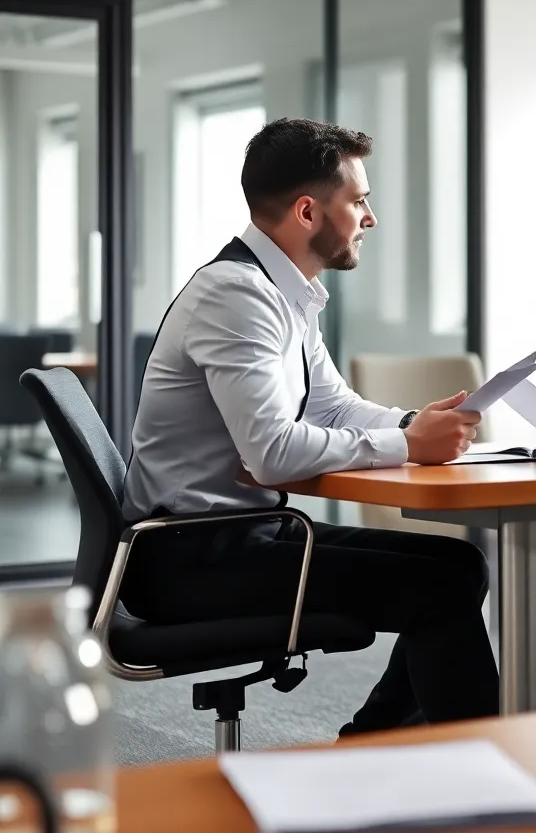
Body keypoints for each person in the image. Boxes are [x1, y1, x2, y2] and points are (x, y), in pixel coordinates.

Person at [121, 117, 498, 733]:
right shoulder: (236, 295)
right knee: (440, 585)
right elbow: (272, 454)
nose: (369, 218)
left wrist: (414, 423)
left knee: (459, 568)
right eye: (358, 201)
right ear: (306, 212)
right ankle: (477, 766)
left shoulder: (282, 292)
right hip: (191, 558)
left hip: (240, 535)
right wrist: (406, 443)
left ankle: (374, 745)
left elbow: (331, 406)